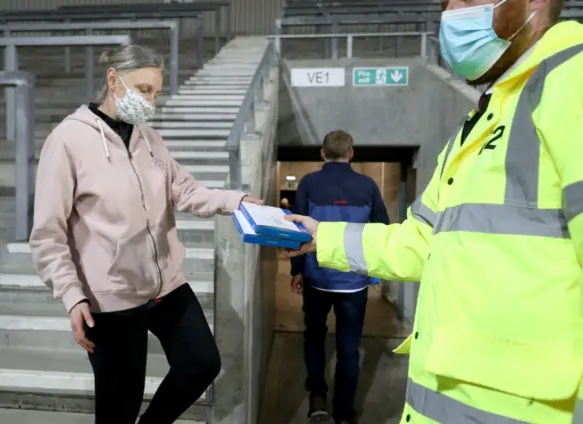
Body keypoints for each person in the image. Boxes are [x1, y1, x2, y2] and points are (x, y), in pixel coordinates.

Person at [284, 1, 583, 423]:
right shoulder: (480, 120)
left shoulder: (572, 80)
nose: (451, 14)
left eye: (464, 0)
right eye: (445, 4)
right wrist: (322, 237)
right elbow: (422, 238)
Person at [29, 44, 262, 424]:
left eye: (156, 91)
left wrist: (238, 201)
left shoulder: (148, 139)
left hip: (165, 285)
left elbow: (185, 191)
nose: (151, 100)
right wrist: (73, 296)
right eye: (143, 89)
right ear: (112, 79)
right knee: (120, 404)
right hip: (111, 297)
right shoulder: (68, 141)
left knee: (201, 363)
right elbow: (47, 233)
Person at [290, 130, 389, 424]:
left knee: (314, 337)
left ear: (322, 153)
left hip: (317, 278)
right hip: (354, 281)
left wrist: (297, 271)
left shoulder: (309, 183)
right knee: (348, 347)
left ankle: (317, 401)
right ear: (352, 153)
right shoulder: (368, 186)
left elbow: (296, 230)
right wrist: (374, 271)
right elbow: (381, 230)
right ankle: (344, 414)